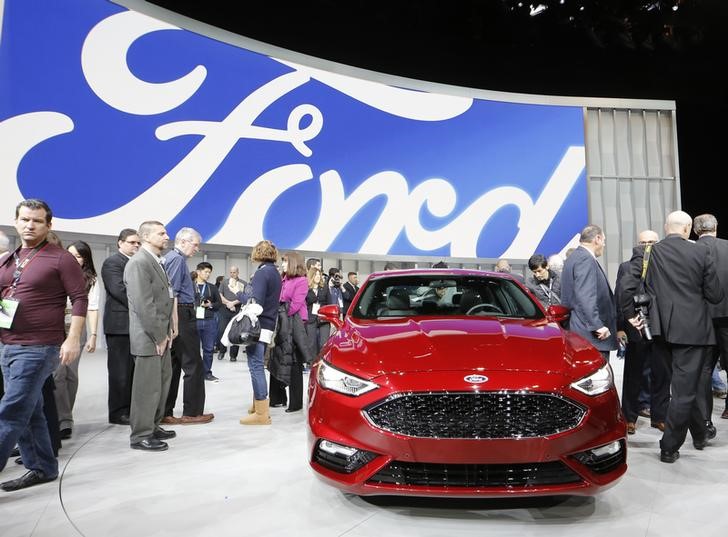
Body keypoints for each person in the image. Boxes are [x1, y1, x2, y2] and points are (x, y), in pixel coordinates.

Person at [620, 211, 724, 463]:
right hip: (694, 331)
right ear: (688, 229)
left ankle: (699, 433)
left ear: (666, 227)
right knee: (686, 391)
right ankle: (669, 446)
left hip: (659, 331)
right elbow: (715, 294)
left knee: (675, 388)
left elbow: (625, 287)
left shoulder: (648, 252)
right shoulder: (702, 252)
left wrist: (630, 315)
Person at [0, 199, 87, 491]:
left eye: (37, 221)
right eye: (24, 219)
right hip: (7, 345)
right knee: (30, 409)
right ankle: (43, 467)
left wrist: (73, 338)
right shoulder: (8, 259)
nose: (30, 225)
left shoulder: (60, 258)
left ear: (48, 225)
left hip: (39, 347)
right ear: (16, 222)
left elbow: (79, 299)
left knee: (10, 411)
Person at [124, 221, 177, 451]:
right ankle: (140, 434)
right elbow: (144, 305)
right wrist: (158, 336)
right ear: (146, 236)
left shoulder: (156, 261)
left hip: (161, 335)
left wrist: (167, 332)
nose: (167, 236)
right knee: (146, 388)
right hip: (148, 337)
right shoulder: (139, 263)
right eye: (161, 233)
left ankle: (153, 425)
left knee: (161, 384)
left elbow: (163, 299)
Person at [615, 229, 664, 435]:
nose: (647, 246)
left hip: (661, 327)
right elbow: (619, 297)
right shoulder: (626, 267)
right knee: (633, 375)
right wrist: (620, 327)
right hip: (636, 327)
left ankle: (660, 416)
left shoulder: (664, 265)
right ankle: (629, 417)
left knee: (661, 374)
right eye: (644, 242)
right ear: (637, 244)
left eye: (652, 242)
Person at [162, 228, 213, 425]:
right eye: (195, 244)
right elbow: (171, 292)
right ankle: (192, 412)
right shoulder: (176, 260)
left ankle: (166, 411)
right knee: (193, 364)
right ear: (183, 241)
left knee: (175, 365)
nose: (197, 249)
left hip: (180, 314)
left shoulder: (174, 259)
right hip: (182, 314)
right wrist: (175, 321)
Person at [53, 240, 99, 440]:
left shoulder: (91, 280)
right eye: (70, 254)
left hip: (76, 328)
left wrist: (93, 334)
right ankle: (61, 419)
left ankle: (66, 418)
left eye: (78, 256)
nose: (74, 259)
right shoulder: (57, 272)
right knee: (57, 374)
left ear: (85, 259)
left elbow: (93, 308)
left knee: (71, 374)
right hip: (55, 327)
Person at [237, 240, 282, 425]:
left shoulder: (262, 273)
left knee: (255, 365)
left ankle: (262, 412)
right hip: (268, 323)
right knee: (257, 364)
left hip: (259, 324)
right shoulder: (275, 273)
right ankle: (258, 405)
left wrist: (240, 295)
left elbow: (257, 301)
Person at [560, 224, 618, 361]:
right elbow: (585, 296)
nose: (604, 244)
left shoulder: (575, 257)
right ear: (597, 239)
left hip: (579, 331)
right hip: (590, 335)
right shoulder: (585, 259)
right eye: (604, 240)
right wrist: (597, 325)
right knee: (597, 379)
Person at [692, 214, 728, 430]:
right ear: (716, 227)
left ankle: (704, 419)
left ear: (696, 231)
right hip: (727, 316)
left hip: (701, 319)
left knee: (703, 370)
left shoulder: (690, 250)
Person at [101, 228, 140, 426]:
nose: (136, 246)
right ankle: (117, 412)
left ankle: (129, 408)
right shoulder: (113, 263)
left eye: (138, 243)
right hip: (119, 325)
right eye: (132, 242)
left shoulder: (135, 263)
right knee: (119, 371)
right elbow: (119, 290)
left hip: (133, 325)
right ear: (120, 243)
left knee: (131, 370)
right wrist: (142, 303)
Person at [269, 251, 312, 413]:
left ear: (294, 263)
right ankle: (277, 399)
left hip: (295, 325)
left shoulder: (301, 281)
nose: (282, 265)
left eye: (286, 262)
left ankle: (295, 403)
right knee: (277, 359)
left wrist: (280, 311)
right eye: (283, 262)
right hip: (280, 323)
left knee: (294, 363)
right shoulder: (282, 280)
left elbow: (295, 305)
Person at [193, 262, 222, 382]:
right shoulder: (189, 286)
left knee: (209, 349)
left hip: (209, 321)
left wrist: (210, 305)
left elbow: (219, 303)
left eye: (209, 272)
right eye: (206, 271)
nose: (208, 274)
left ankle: (207, 373)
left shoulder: (212, 287)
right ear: (198, 272)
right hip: (193, 321)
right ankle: (194, 373)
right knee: (193, 349)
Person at [217, 266, 246, 362]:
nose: (232, 274)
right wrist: (228, 303)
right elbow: (220, 295)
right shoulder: (224, 282)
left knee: (235, 333)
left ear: (238, 272)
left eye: (234, 272)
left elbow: (244, 297)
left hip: (237, 310)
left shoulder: (243, 283)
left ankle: (233, 355)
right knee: (222, 330)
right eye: (231, 272)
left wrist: (233, 303)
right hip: (225, 309)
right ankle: (222, 351)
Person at [305, 266, 330, 360]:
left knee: (323, 343)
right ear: (311, 276)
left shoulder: (325, 288)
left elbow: (329, 303)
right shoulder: (306, 289)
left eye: (319, 274)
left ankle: (323, 362)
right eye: (316, 274)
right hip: (310, 318)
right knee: (311, 343)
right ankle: (312, 364)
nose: (318, 276)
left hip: (324, 319)